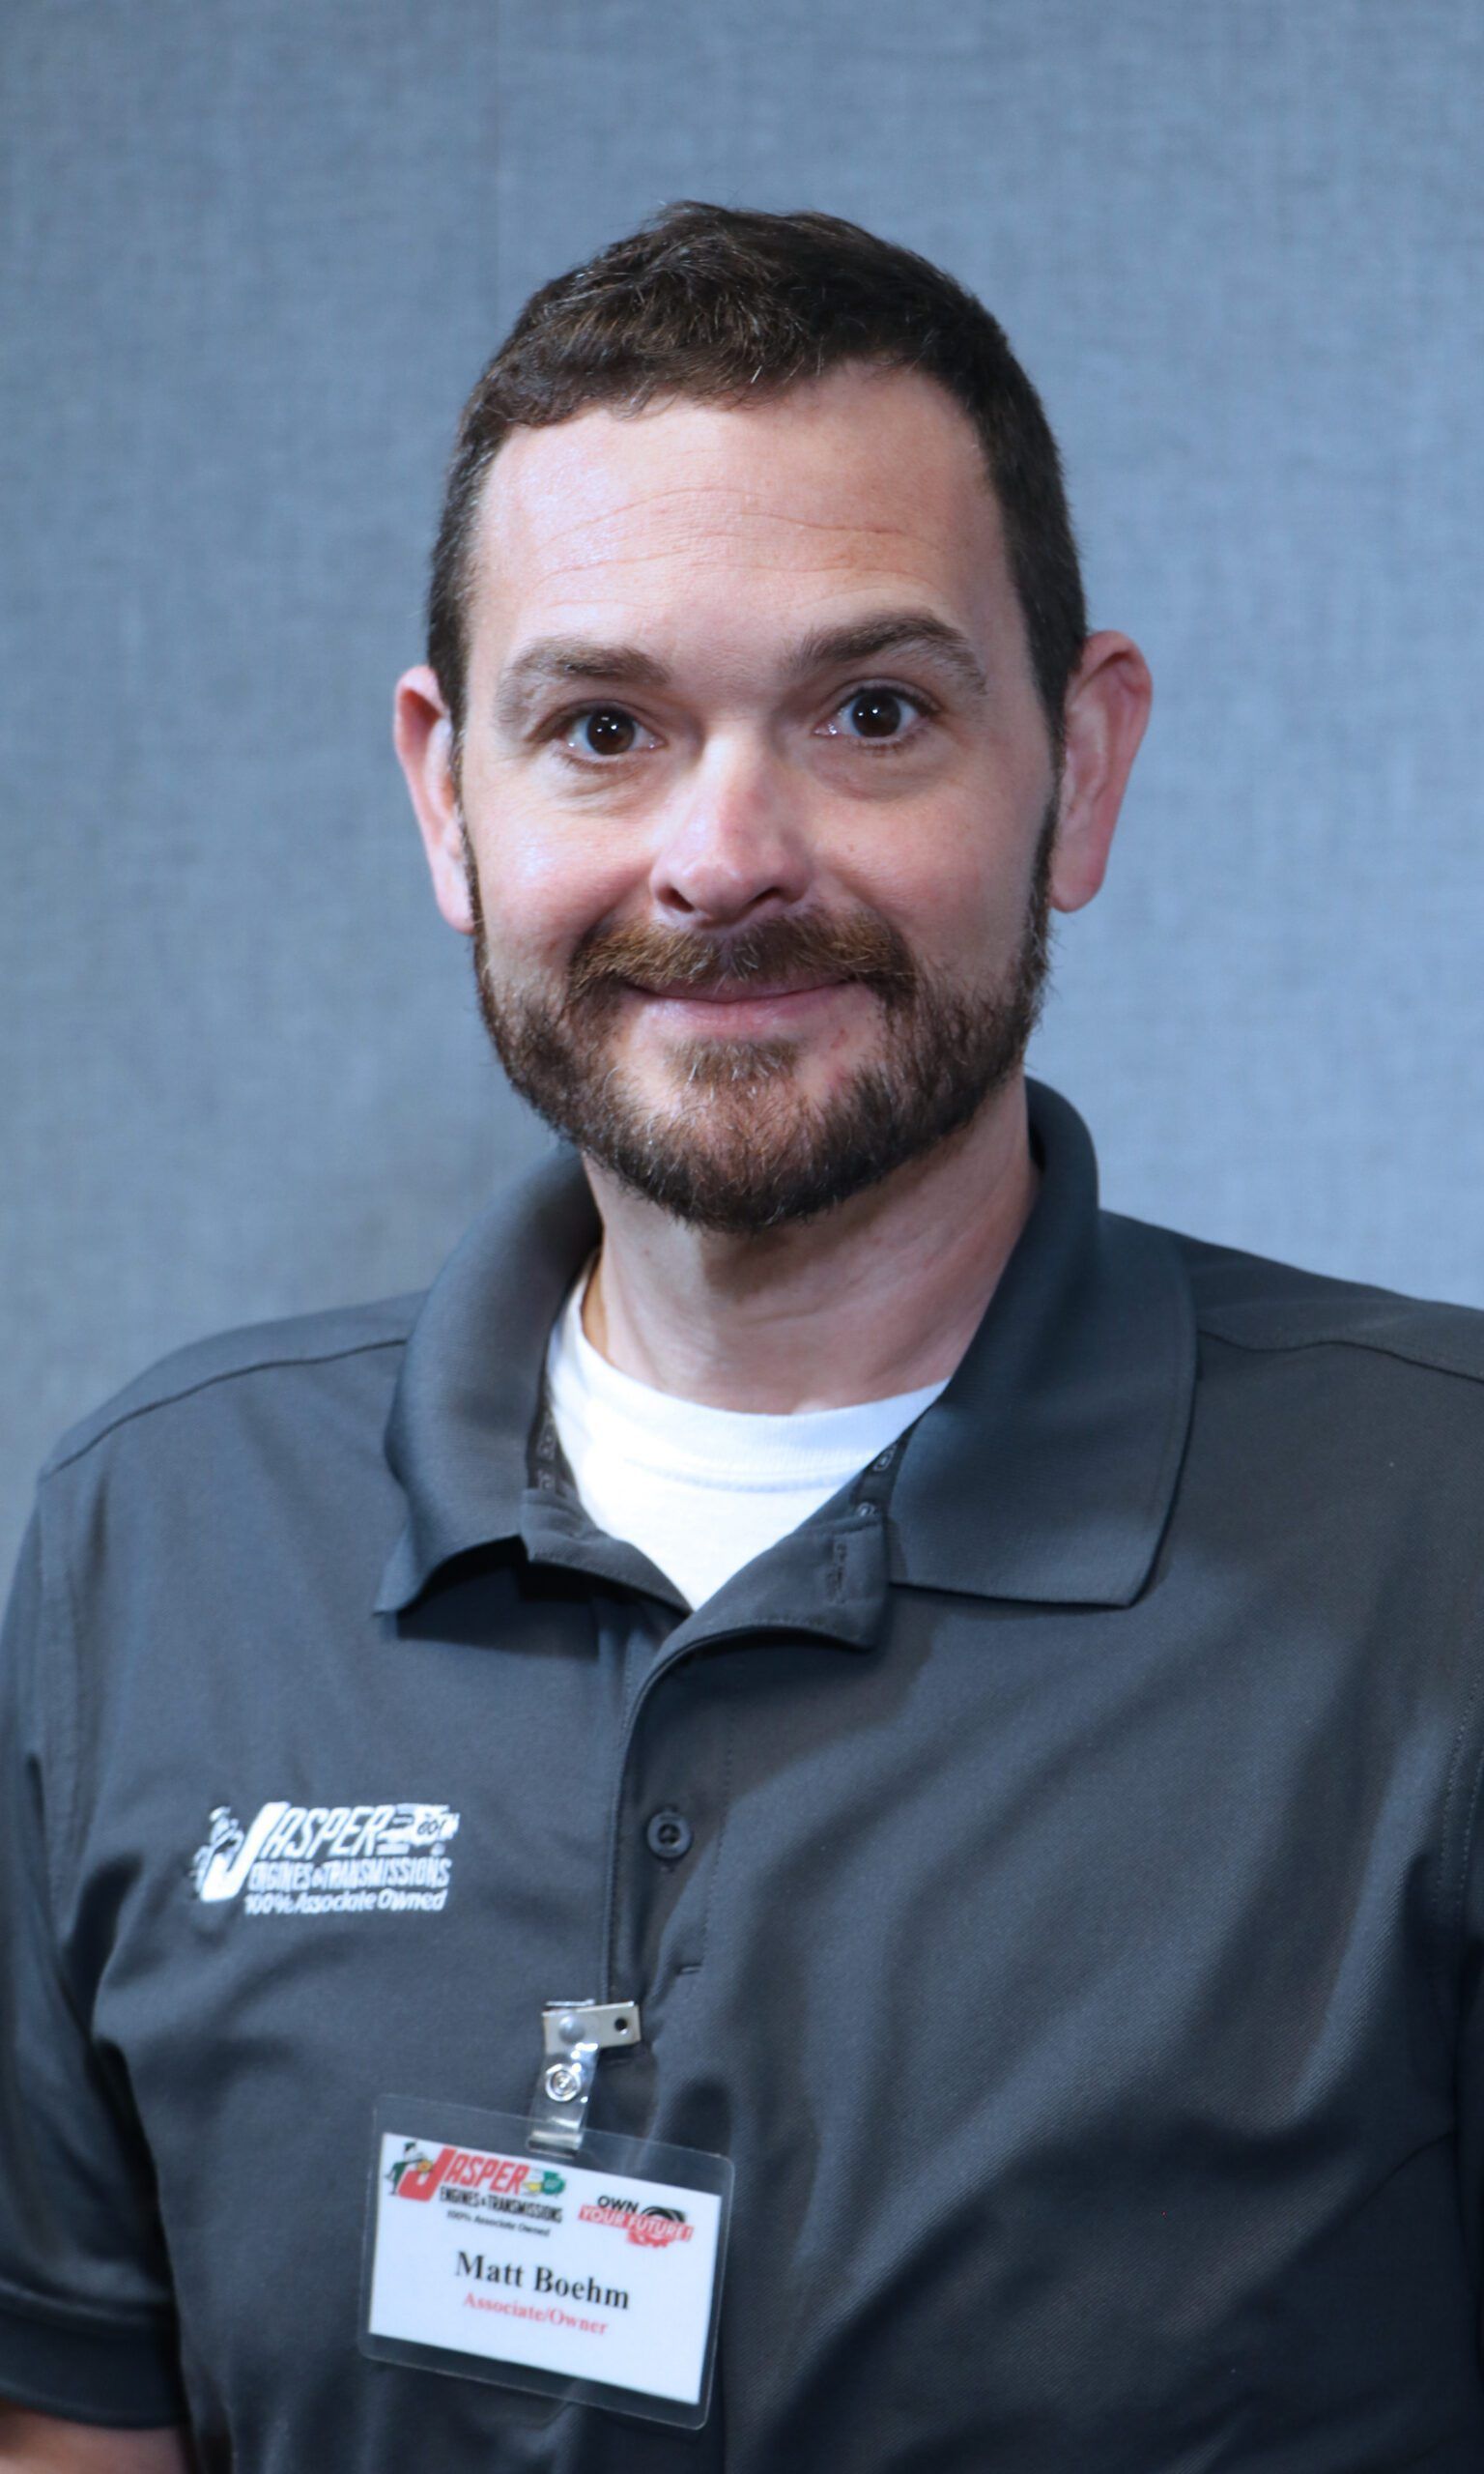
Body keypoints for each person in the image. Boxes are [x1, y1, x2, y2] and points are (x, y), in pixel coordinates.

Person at [3, 202, 1484, 2474]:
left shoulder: (1442, 1540)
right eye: (603, 726)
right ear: (446, 799)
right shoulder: (157, 1545)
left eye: (869, 711)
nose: (726, 853)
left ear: (1079, 772)